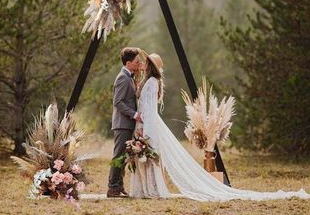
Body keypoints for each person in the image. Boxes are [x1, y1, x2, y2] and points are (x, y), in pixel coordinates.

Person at [130, 51, 310, 201]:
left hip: (149, 124)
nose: (143, 63)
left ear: (152, 66)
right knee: (149, 158)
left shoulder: (153, 82)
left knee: (151, 157)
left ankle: (152, 190)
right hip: (146, 123)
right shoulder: (149, 81)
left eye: (146, 62)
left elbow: (149, 108)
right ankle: (149, 189)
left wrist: (144, 126)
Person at [107, 47, 143, 198]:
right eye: (136, 61)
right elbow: (118, 102)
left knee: (123, 157)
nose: (139, 62)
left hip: (127, 125)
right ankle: (112, 187)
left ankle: (119, 186)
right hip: (122, 124)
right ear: (128, 63)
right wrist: (134, 114)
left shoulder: (129, 76)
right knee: (118, 156)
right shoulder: (122, 77)